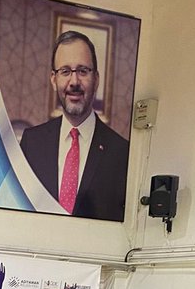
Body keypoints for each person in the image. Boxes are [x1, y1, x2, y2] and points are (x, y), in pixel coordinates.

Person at [19, 31, 130, 223]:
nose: (74, 82)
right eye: (65, 71)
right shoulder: (32, 143)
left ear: (96, 79)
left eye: (82, 71)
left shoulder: (122, 153)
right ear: (53, 79)